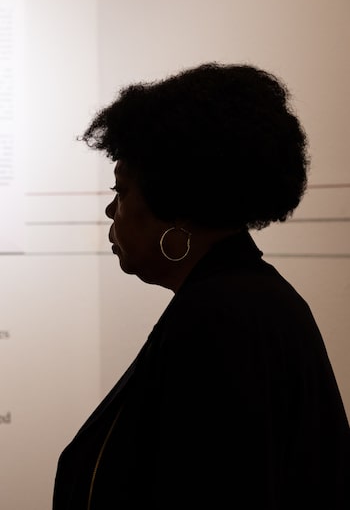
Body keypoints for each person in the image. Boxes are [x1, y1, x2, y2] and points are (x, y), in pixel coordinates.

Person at [53, 63, 350, 509]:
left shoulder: (221, 318)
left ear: (175, 201)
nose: (112, 210)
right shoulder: (250, 300)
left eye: (122, 190)